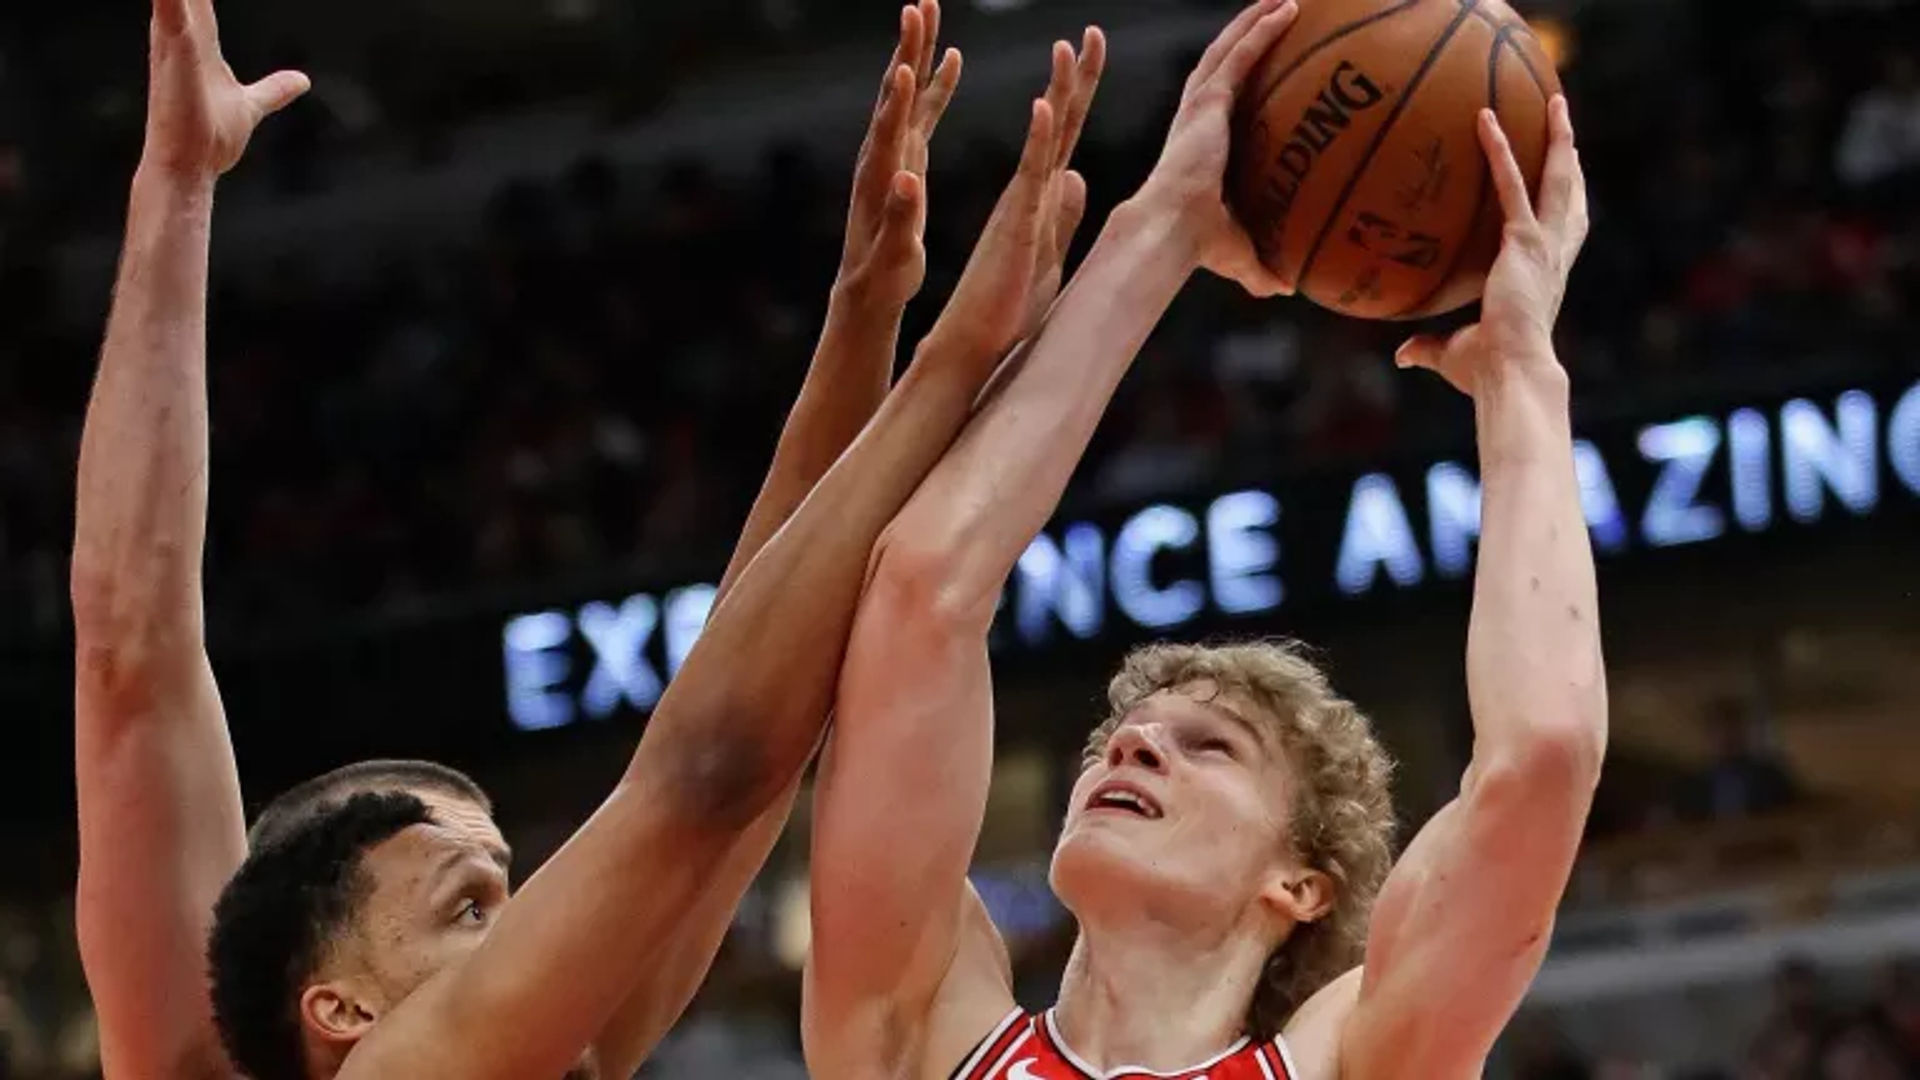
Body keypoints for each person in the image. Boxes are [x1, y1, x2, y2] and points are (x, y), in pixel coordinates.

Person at [70, 0, 1102, 1076]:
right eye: (470, 908)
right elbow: (132, 648)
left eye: (511, 896)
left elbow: (747, 711)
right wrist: (953, 361)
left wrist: (865, 313)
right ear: (340, 1005)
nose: (536, 931)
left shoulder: (570, 1050)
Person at [800, 2, 1608, 1078]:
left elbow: (1541, 760)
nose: (1130, 748)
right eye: (1121, 740)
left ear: (1300, 885)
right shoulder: (914, 1037)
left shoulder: (1354, 1063)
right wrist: (1160, 229)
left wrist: (1519, 376)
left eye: (1210, 747)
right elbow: (921, 593)